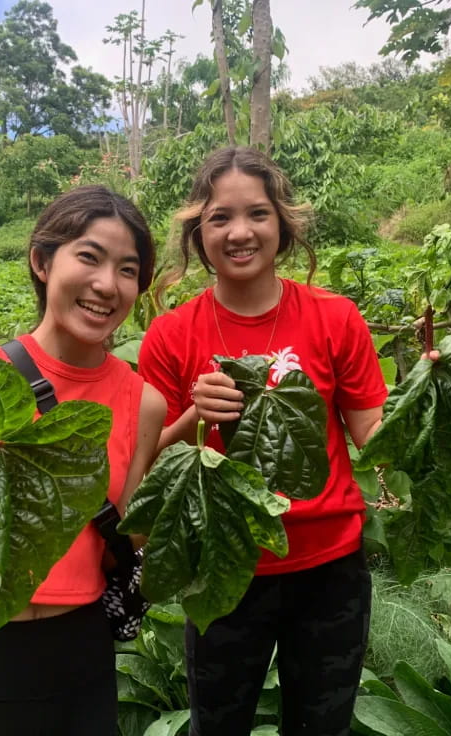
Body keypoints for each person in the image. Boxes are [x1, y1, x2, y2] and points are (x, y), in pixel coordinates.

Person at [137, 147, 387, 736]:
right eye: (220, 218)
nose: (240, 232)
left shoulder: (335, 317)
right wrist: (191, 418)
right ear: (199, 234)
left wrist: (429, 395)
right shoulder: (172, 336)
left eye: (258, 214)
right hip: (223, 566)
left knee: (322, 726)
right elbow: (142, 474)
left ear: (283, 225)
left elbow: (372, 433)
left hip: (328, 566)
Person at [0, 185, 166, 736]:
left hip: (79, 652)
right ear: (41, 261)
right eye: (89, 257)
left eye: (128, 270)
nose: (108, 285)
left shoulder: (143, 402)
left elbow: (126, 539)